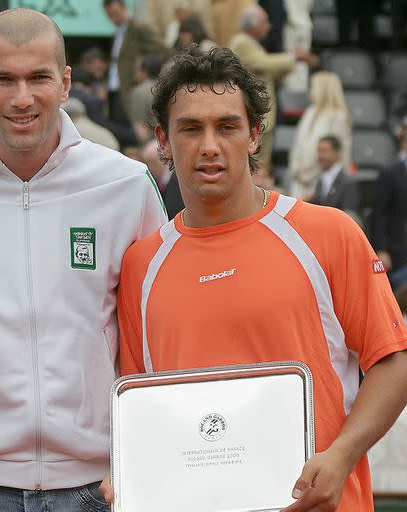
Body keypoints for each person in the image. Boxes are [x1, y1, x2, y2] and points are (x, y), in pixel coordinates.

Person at [113, 46, 407, 511]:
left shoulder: (329, 234)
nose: (210, 145)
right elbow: (141, 407)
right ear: (163, 141)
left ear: (253, 136)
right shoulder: (140, 266)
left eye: (227, 126)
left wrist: (342, 457)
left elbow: (394, 362)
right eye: (191, 128)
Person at [0, 8, 167, 511]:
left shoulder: (125, 187)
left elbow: (155, 335)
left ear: (65, 83)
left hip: (97, 486)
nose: (22, 98)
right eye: (4, 79)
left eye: (38, 78)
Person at [229, 5, 317, 174]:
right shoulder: (242, 42)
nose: (269, 26)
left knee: (261, 162)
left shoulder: (253, 44)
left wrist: (289, 63)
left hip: (261, 113)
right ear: (252, 25)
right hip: (253, 111)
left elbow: (268, 71)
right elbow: (263, 63)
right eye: (264, 22)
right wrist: (294, 56)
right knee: (254, 163)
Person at [103, 0, 168, 129]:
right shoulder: (117, 33)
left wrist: (143, 69)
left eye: (115, 13)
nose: (113, 18)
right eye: (109, 15)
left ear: (123, 7)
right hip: (115, 89)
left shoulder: (139, 28)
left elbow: (162, 51)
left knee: (133, 129)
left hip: (131, 88)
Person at [288, 71, 352, 200]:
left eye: (312, 87)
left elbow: (336, 155)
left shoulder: (338, 117)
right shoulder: (309, 112)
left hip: (319, 183)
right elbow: (296, 146)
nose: (310, 91)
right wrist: (296, 170)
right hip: (298, 180)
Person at [370, 123, 407, 290]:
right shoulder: (390, 174)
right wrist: (381, 249)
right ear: (404, 143)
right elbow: (379, 214)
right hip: (397, 250)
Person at [308, 135, 358, 219]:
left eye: (324, 151)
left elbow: (349, 216)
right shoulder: (320, 181)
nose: (320, 156)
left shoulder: (348, 182)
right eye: (318, 151)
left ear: (337, 152)